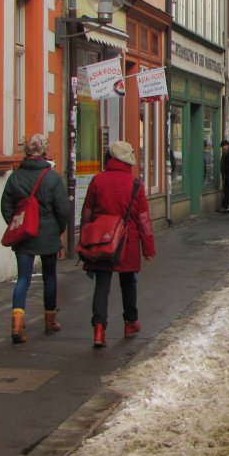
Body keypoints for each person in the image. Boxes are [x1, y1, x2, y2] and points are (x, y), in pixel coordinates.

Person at [80, 141, 156, 347]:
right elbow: (143, 220)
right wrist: (148, 247)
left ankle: (99, 329)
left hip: (102, 240)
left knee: (102, 284)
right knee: (128, 281)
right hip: (127, 241)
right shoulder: (135, 184)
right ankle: (130, 322)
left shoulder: (97, 180)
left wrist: (85, 241)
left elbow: (86, 213)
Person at [0, 133, 71, 344]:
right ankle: (50, 320)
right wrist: (59, 230)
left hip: (24, 235)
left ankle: (17, 325)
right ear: (44, 151)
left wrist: (16, 224)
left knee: (23, 278)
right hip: (48, 235)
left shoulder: (15, 176)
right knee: (49, 276)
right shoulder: (52, 177)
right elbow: (63, 209)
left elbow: (6, 206)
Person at [218, 140, 229, 213]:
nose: (222, 148)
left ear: (226, 146)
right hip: (227, 175)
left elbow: (225, 165)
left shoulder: (227, 153)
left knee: (227, 191)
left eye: (223, 147)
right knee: (227, 191)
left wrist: (224, 174)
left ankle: (225, 206)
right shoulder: (226, 153)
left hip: (227, 175)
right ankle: (226, 206)